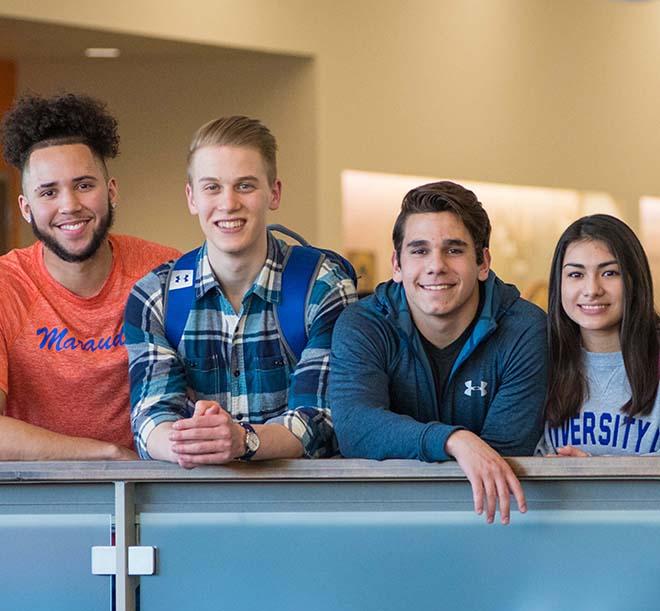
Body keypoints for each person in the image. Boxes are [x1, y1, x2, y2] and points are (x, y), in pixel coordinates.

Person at [125, 115, 357, 466]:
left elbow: (323, 419)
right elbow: (151, 417)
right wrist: (198, 444)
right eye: (212, 187)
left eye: (245, 186)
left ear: (274, 193)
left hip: (302, 509)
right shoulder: (155, 296)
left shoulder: (322, 286)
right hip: (189, 504)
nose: (228, 203)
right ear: (191, 197)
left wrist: (242, 440)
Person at [330, 181, 548, 524]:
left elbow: (502, 455)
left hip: (494, 520)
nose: (436, 265)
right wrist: (453, 440)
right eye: (419, 250)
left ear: (483, 262)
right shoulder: (363, 324)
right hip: (384, 519)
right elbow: (356, 428)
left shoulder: (524, 328)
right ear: (397, 266)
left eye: (454, 249)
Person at [0, 93, 180, 460]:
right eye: (48, 191)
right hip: (35, 504)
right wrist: (106, 456)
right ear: (26, 208)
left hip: (154, 496)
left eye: (84, 185)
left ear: (111, 191)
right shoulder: (6, 286)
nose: (69, 205)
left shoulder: (166, 273)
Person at [538, 214, 659, 456]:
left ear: (635, 280)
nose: (592, 290)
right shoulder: (540, 360)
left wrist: (595, 470)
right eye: (576, 275)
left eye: (609, 273)